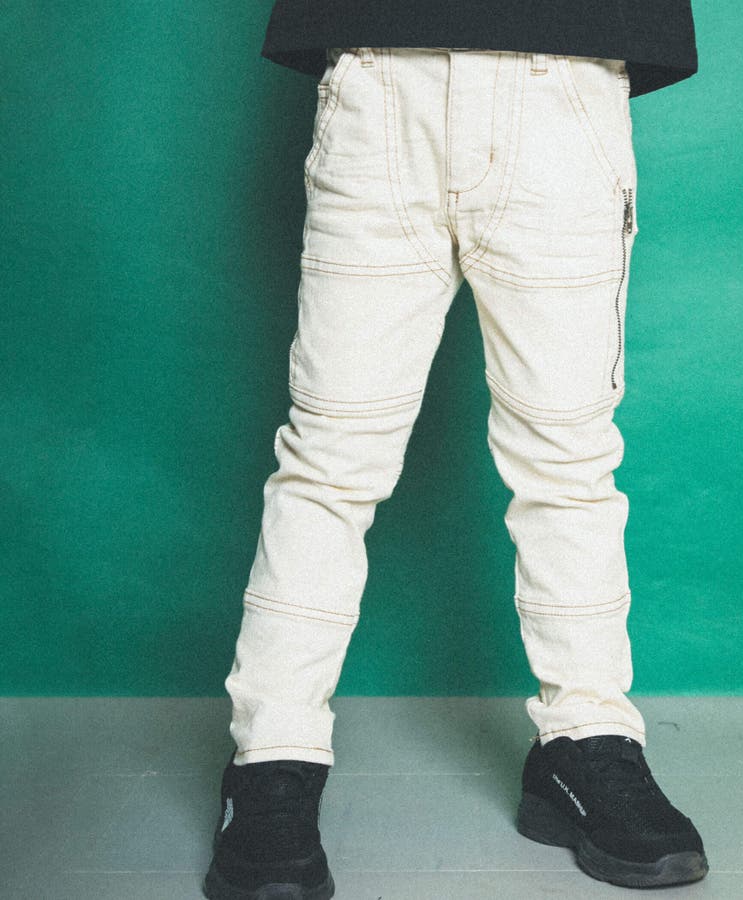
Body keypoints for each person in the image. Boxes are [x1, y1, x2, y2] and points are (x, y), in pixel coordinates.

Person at [203, 3, 708, 897]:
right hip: (379, 71)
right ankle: (272, 757)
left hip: (569, 76)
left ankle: (587, 739)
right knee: (330, 454)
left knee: (568, 458)